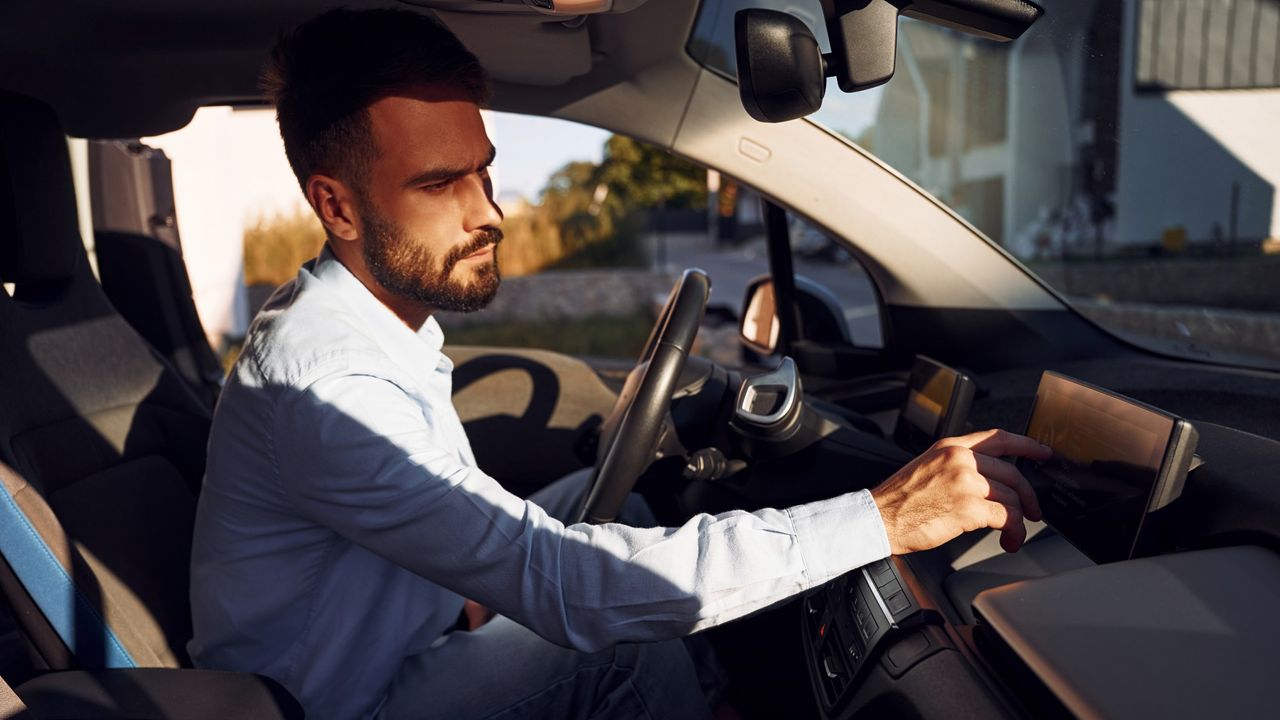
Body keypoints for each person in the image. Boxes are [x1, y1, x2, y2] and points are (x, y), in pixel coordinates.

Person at [188, 8, 1051, 720]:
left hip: (386, 641)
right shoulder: (326, 382)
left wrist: (481, 589)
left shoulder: (373, 326)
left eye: (484, 173)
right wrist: (883, 517)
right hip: (337, 704)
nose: (488, 213)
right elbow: (567, 587)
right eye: (440, 183)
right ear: (335, 205)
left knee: (622, 501)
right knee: (629, 638)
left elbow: (486, 546)